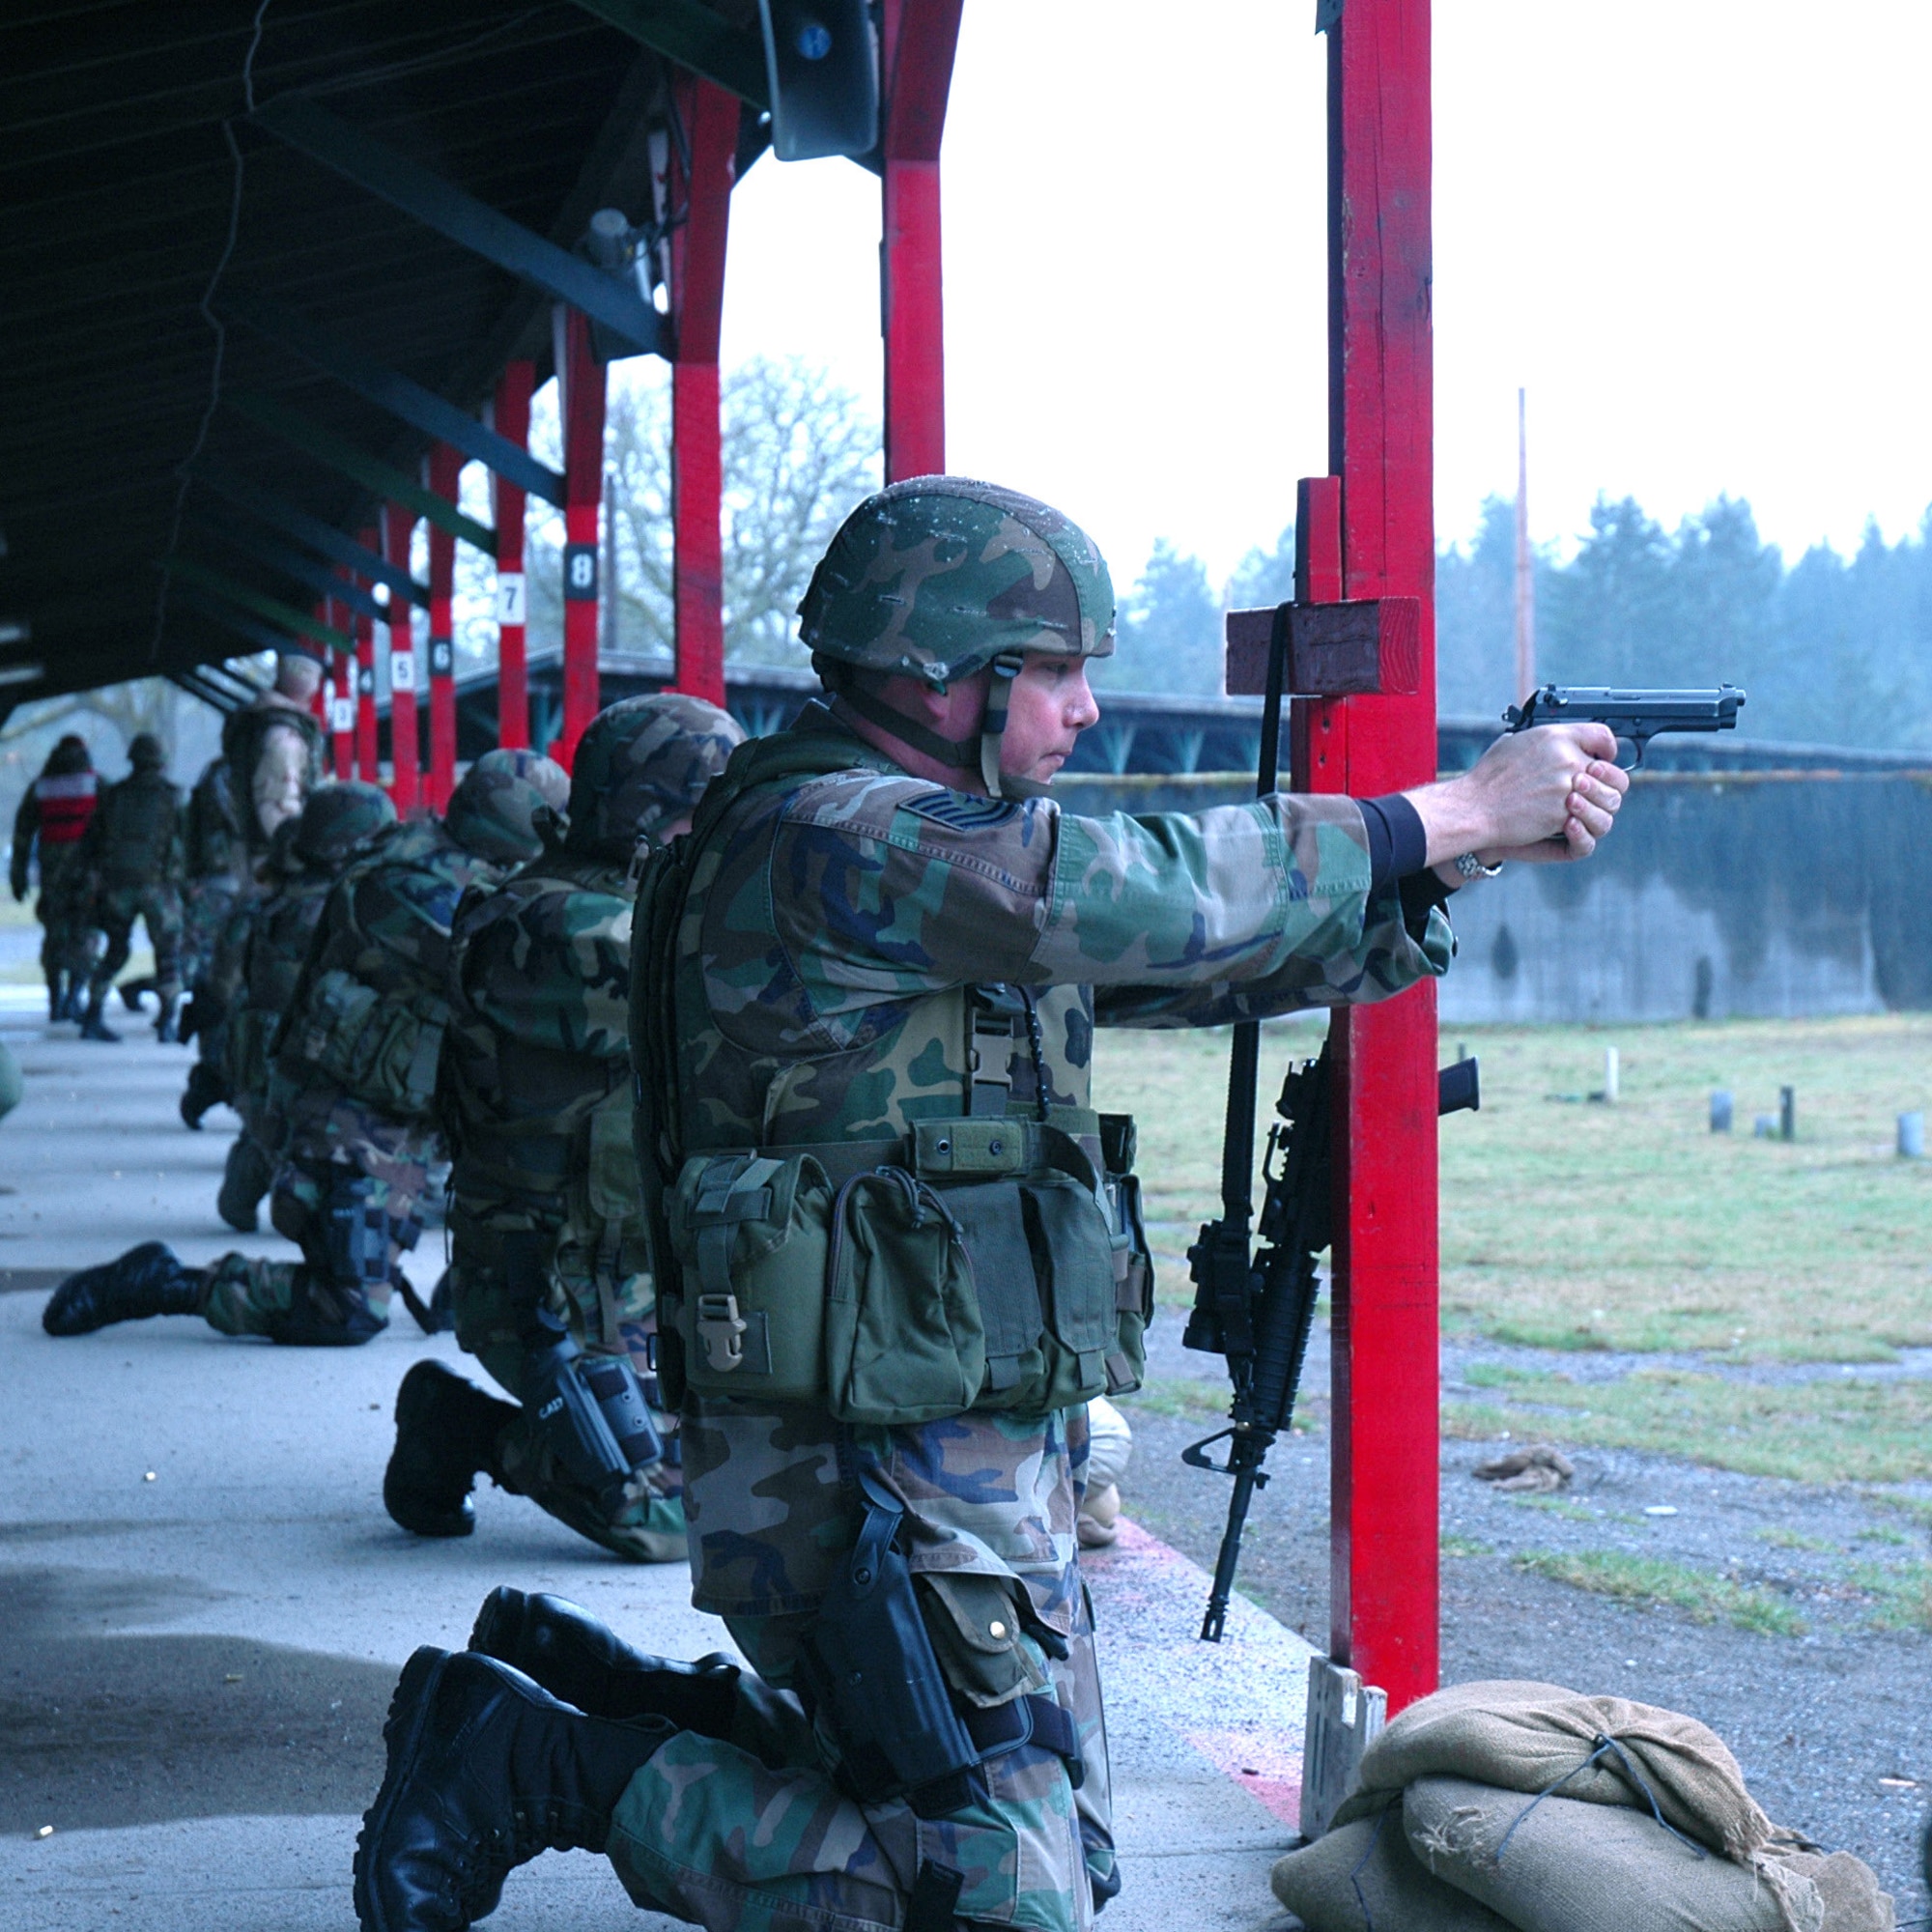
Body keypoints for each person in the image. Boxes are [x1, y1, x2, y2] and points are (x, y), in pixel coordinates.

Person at [350, 477, 1630, 1932]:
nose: (1087, 709)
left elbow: (1182, 958)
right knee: (1005, 1901)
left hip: (935, 1421)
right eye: (1062, 673)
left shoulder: (918, 848)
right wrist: (1450, 803)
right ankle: (544, 1762)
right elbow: (1119, 893)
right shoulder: (841, 831)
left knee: (1046, 1852)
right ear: (942, 675)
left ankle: (578, 1704)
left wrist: (1466, 852)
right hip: (872, 1454)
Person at [384, 694, 744, 1567]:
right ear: (648, 818)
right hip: (552, 1289)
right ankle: (458, 1426)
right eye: (713, 813)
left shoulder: (628, 905)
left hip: (643, 1276)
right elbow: (731, 985)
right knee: (664, 1519)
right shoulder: (555, 929)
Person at [43, 750, 567, 1349]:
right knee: (344, 1309)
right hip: (356, 1123)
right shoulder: (412, 882)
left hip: (416, 1115)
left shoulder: (465, 871)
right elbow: (518, 975)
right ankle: (165, 1283)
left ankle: (477, 1286)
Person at [212, 781, 398, 1234]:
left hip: (265, 1041)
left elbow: (228, 976)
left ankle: (248, 1183)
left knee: (270, 1127)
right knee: (296, 1133)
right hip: (311, 1041)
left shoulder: (275, 899)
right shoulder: (351, 904)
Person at [181, 649, 328, 1125]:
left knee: (243, 984)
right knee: (264, 992)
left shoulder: (258, 728)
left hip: (255, 875)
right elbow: (279, 810)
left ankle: (215, 1075)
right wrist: (306, 861)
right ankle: (227, 1081)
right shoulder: (283, 738)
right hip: (275, 879)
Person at [73, 732, 185, 1042]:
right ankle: (166, 1022)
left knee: (115, 951)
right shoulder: (173, 797)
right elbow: (186, 844)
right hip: (157, 889)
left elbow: (91, 841)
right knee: (168, 956)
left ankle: (92, 1015)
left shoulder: (112, 795)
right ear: (160, 763)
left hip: (117, 886)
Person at [10, 733, 99, 1021]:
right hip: (87, 876)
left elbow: (23, 835)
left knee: (54, 936)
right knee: (85, 934)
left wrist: (18, 875)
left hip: (52, 877)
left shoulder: (41, 786)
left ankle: (55, 998)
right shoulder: (96, 783)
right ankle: (75, 996)